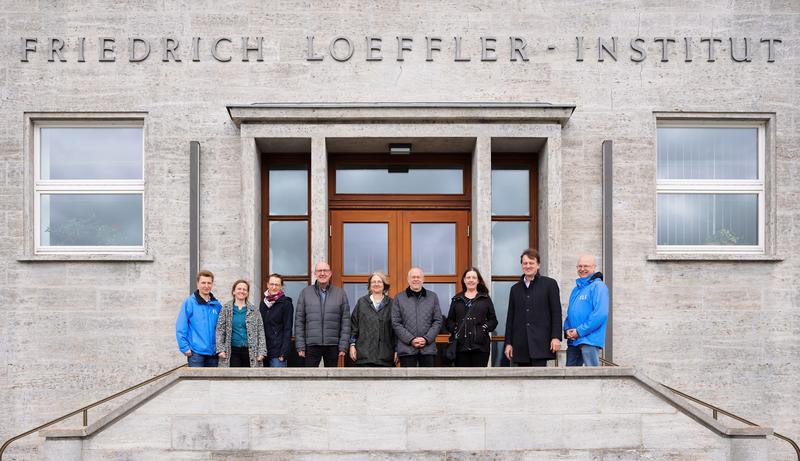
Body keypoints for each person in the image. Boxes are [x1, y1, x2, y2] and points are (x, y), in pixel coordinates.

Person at [503, 249, 562, 367]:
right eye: (525, 263)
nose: (528, 266)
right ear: (521, 265)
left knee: (540, 383)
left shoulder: (550, 284)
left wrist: (556, 337)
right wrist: (508, 343)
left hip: (541, 343)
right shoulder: (515, 289)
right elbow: (511, 318)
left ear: (538, 265)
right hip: (520, 344)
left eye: (531, 263)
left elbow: (556, 312)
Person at [295, 261, 351, 367]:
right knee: (310, 378)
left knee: (332, 380)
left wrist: (343, 346)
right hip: (311, 344)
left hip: (333, 344)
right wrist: (300, 345)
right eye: (319, 271)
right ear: (315, 274)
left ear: (330, 273)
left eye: (325, 270)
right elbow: (299, 321)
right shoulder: (305, 293)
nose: (322, 273)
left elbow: (346, 322)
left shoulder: (340, 294)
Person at [391, 267, 443, 367]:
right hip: (407, 349)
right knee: (408, 382)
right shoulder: (399, 298)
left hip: (428, 349)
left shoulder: (433, 297)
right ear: (408, 279)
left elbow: (438, 321)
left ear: (423, 279)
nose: (416, 279)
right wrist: (411, 339)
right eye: (413, 277)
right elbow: (396, 323)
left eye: (418, 277)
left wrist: (426, 339)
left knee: (428, 381)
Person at [447, 267, 498, 367]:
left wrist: (484, 328)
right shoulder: (456, 299)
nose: (471, 280)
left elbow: (493, 320)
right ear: (464, 280)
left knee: (479, 380)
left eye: (474, 278)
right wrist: (456, 329)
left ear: (478, 280)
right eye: (468, 277)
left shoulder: (485, 298)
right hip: (460, 348)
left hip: (481, 347)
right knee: (462, 380)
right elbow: (449, 321)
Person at [564, 255, 609, 367]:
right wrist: (567, 329)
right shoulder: (576, 289)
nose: (582, 269)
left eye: (586, 266)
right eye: (579, 266)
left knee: (592, 377)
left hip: (589, 340)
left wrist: (579, 331)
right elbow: (570, 314)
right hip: (574, 341)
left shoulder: (599, 287)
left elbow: (600, 314)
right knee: (570, 378)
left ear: (594, 268)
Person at [176, 269, 223, 367]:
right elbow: (181, 326)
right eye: (203, 283)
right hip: (196, 353)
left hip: (213, 353)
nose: (206, 286)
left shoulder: (217, 305)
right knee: (197, 383)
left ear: (212, 284)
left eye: (209, 283)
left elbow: (221, 328)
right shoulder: (190, 302)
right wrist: (184, 347)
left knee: (213, 382)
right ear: (198, 284)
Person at [349, 271, 397, 367]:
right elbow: (354, 326)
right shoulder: (362, 303)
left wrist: (397, 349)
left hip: (386, 356)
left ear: (384, 285)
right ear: (370, 285)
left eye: (379, 281)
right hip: (364, 355)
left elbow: (396, 329)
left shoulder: (392, 304)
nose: (376, 284)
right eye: (373, 282)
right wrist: (352, 345)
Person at [215, 279, 267, 368]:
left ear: (247, 293)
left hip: (251, 352)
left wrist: (262, 352)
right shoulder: (226, 308)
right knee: (234, 379)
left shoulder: (254, 310)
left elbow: (260, 331)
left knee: (250, 380)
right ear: (234, 291)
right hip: (232, 351)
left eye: (244, 289)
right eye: (239, 289)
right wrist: (220, 350)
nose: (241, 291)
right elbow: (220, 330)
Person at [259, 273, 295, 368]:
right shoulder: (263, 303)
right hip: (263, 351)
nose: (274, 287)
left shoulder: (286, 304)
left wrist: (284, 352)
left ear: (281, 286)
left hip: (278, 352)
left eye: (277, 285)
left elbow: (288, 329)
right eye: (271, 284)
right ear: (267, 285)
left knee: (278, 382)